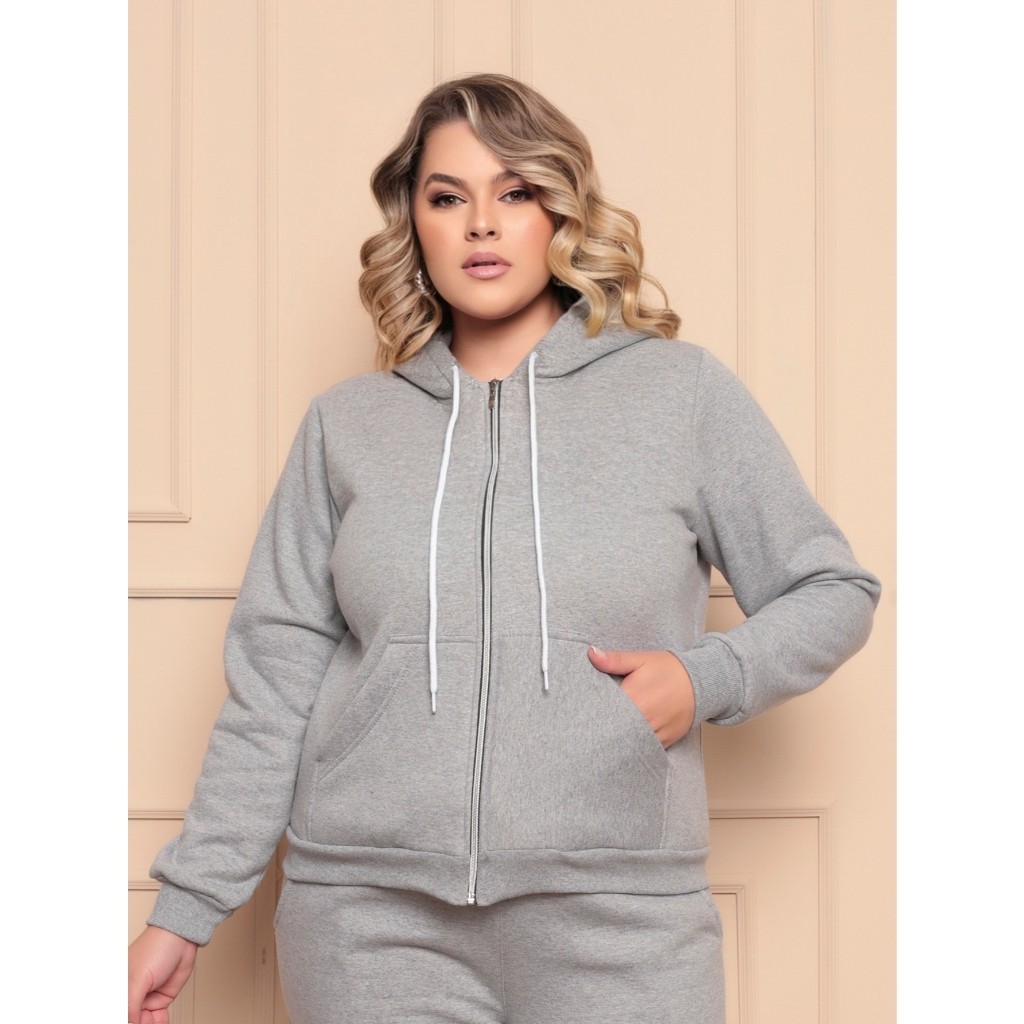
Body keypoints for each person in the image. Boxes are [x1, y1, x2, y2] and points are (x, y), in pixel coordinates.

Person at [128, 73, 880, 1024]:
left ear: (561, 213)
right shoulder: (347, 427)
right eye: (448, 198)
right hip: (367, 925)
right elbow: (273, 685)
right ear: (414, 224)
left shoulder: (679, 397)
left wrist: (706, 679)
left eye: (515, 192)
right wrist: (186, 909)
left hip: (622, 921)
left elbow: (832, 588)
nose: (481, 223)